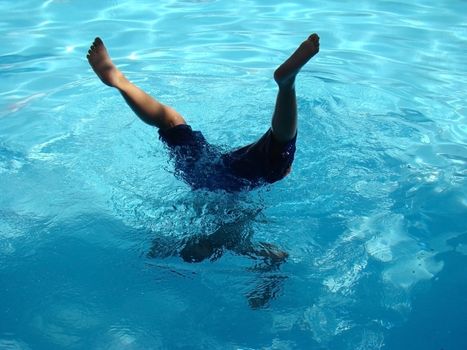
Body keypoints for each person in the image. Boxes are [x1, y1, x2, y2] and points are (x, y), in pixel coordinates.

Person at [86, 34, 320, 192]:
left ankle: (120, 81)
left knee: (172, 121)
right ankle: (286, 84)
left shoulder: (216, 164)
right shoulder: (231, 182)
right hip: (209, 180)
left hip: (209, 170)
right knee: (279, 147)